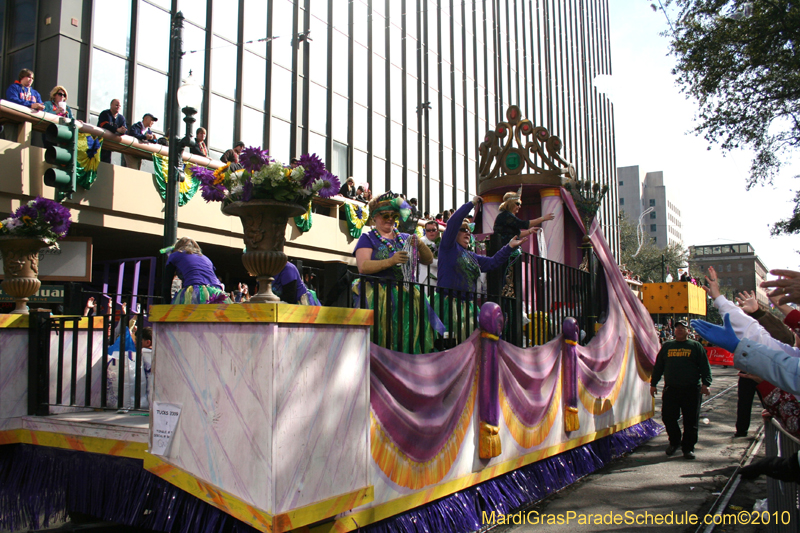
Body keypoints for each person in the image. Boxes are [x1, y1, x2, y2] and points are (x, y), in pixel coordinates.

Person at [353, 191, 440, 352]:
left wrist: (419, 244)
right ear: (374, 217)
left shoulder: (404, 237)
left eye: (394, 215)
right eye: (385, 216)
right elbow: (363, 267)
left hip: (407, 297)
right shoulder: (367, 238)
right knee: (383, 339)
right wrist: (390, 261)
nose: (391, 219)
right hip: (380, 297)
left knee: (408, 339)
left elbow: (427, 260)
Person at [436, 196, 526, 339]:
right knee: (450, 344)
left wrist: (509, 247)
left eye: (469, 230)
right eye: (463, 230)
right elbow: (453, 222)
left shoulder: (472, 256)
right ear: (454, 233)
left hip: (468, 307)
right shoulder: (448, 247)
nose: (467, 233)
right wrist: (471, 204)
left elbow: (492, 263)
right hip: (448, 305)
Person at [649, 320, 712, 460]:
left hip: (691, 390)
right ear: (674, 330)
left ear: (687, 331)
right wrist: (653, 384)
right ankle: (675, 441)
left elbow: (704, 366)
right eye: (677, 328)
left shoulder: (695, 346)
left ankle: (688, 448)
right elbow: (658, 366)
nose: (679, 330)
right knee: (668, 417)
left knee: (691, 421)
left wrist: (706, 384)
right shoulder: (667, 346)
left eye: (682, 328)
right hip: (671, 389)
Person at [162, 237, 231, 304]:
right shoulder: (205, 258)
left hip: (195, 291)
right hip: (217, 292)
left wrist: (168, 304)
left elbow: (166, 286)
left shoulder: (175, 255)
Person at [98, 99, 127, 164]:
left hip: (110, 146)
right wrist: (116, 130)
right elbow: (104, 125)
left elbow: (125, 129)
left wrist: (123, 131)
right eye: (116, 105)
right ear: (111, 105)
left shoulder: (121, 118)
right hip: (100, 143)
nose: (118, 107)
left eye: (119, 106)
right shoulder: (105, 114)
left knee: (106, 163)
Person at [420, 220, 440, 285]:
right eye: (428, 230)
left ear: (437, 231)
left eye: (433, 230)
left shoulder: (442, 242)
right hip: (425, 278)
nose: (431, 232)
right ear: (425, 231)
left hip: (438, 278)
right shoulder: (421, 242)